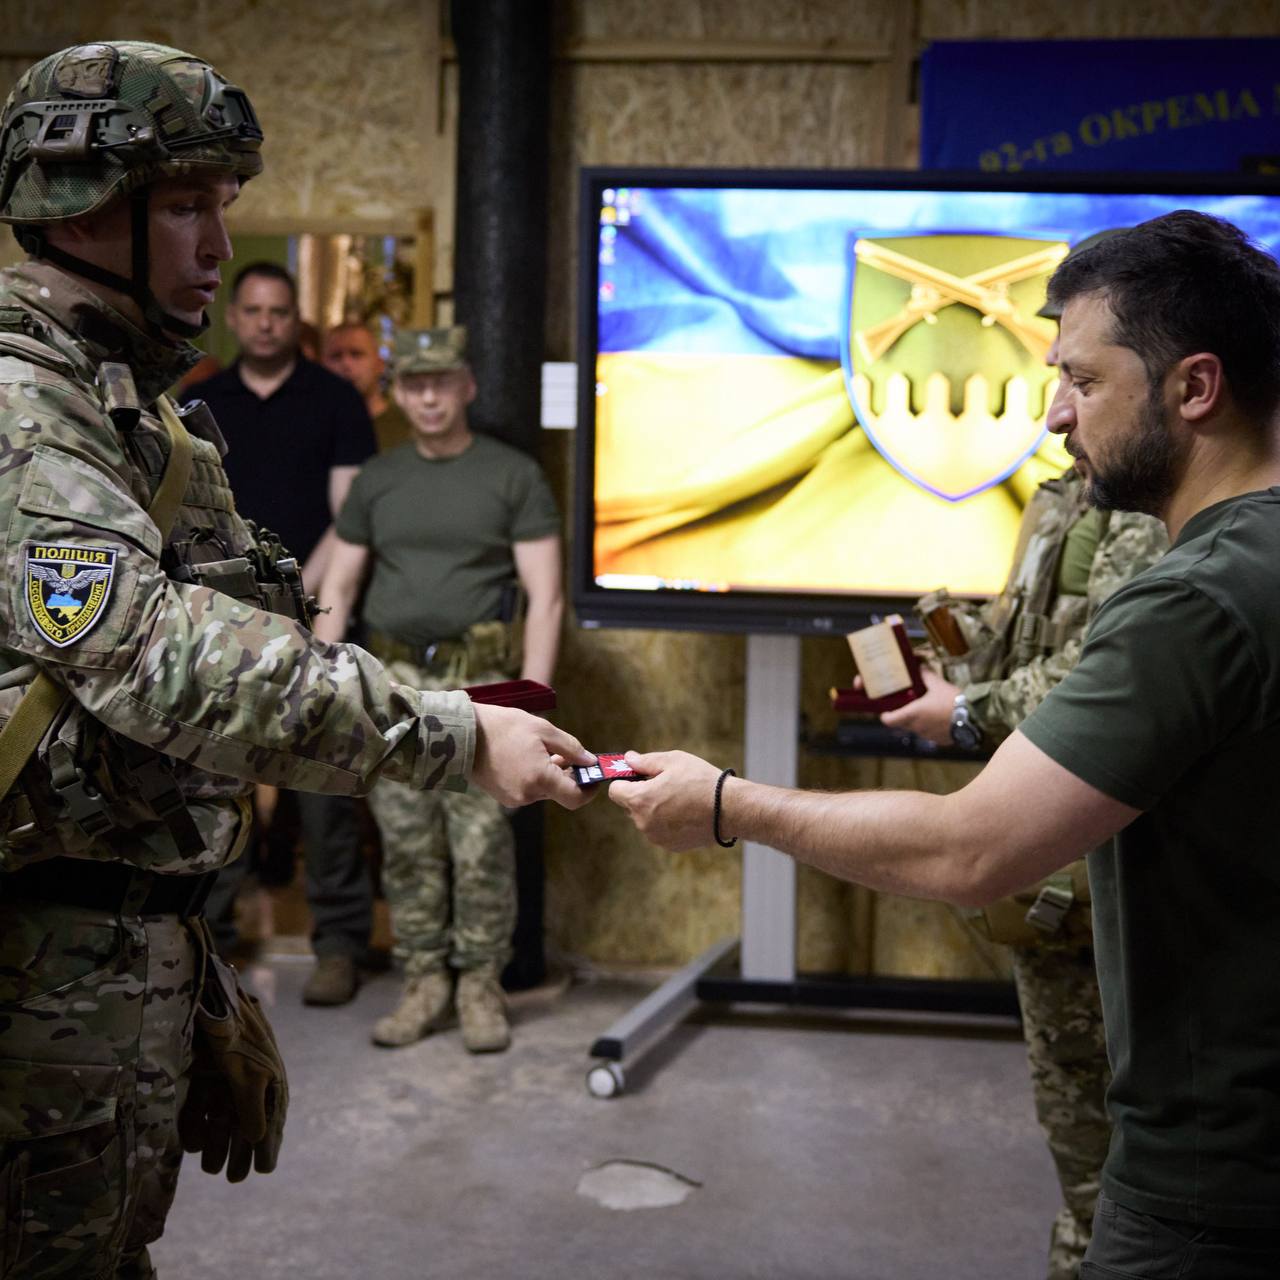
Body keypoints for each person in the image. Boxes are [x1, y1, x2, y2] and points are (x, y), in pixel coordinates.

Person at [0, 41, 592, 1280]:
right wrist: (451, 729)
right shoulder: (23, 408)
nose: (218, 243)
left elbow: (143, 748)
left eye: (223, 205)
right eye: (182, 206)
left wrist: (192, 978)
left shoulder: (134, 411)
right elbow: (151, 660)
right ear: (82, 210)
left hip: (112, 962)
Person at [610, 210, 1280, 1278]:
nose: (1054, 413)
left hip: (1218, 1178)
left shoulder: (1194, 598)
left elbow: (969, 852)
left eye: (1084, 381)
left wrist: (728, 803)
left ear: (1194, 388)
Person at [876, 231, 1168, 1280]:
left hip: (1116, 867)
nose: (1050, 414)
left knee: (1124, 1137)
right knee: (1075, 1121)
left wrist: (964, 713)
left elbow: (1106, 682)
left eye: (1078, 383)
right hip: (1054, 879)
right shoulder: (1064, 498)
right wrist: (946, 638)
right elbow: (1027, 632)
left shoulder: (1170, 523)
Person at [317, 326, 564, 1053]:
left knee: (483, 838)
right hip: (394, 686)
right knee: (406, 839)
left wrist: (533, 702)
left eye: (442, 382)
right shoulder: (378, 479)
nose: (428, 396)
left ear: (467, 387)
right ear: (399, 393)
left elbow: (545, 599)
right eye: (414, 384)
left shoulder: (513, 476)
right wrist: (327, 682)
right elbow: (340, 582)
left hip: (481, 685)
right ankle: (423, 979)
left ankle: (481, 985)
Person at [183, 263, 378, 1005]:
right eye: (255, 310)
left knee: (325, 784)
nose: (267, 323)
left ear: (297, 319)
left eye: (280, 311)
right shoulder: (198, 402)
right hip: (215, 625)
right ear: (234, 316)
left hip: (316, 614)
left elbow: (349, 518)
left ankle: (338, 945)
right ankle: (214, 950)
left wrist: (298, 602)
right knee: (217, 781)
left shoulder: (335, 402)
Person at [322, 320, 412, 452]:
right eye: (336, 356)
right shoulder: (312, 425)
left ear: (379, 364)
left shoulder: (408, 427)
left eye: (356, 354)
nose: (346, 364)